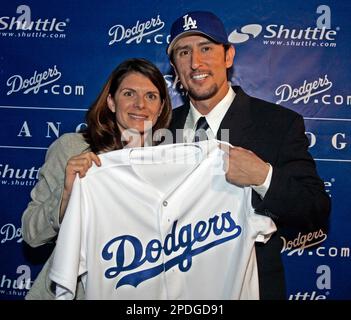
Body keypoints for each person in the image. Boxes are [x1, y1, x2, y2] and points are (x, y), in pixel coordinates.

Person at [166, 10, 331, 299]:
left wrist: (263, 176)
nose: (195, 62)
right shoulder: (159, 128)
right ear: (174, 66)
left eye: (206, 48)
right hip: (173, 291)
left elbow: (315, 209)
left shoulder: (279, 123)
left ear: (228, 56)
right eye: (183, 52)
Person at [21, 58, 172, 299]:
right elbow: (31, 234)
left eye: (151, 96)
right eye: (129, 94)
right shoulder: (72, 148)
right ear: (111, 102)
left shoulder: (171, 162)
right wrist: (67, 194)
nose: (140, 104)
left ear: (162, 106)